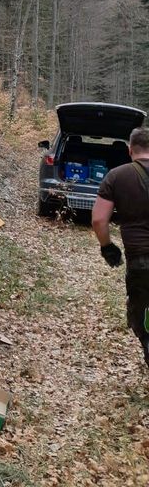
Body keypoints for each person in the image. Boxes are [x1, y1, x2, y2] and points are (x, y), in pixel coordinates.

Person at [92, 126, 149, 367]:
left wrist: (107, 247)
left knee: (142, 318)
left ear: (129, 150)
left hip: (141, 261)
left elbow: (98, 220)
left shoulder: (116, 176)